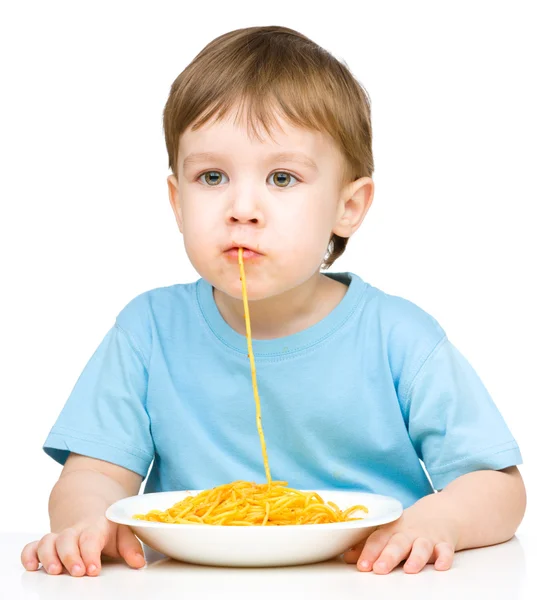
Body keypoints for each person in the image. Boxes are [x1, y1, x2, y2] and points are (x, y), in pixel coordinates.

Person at [21, 25, 525, 578]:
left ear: (348, 207)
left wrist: (441, 520)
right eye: (211, 176)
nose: (242, 207)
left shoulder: (399, 336)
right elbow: (93, 475)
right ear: (176, 201)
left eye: (282, 178)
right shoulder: (148, 331)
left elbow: (497, 486)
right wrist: (86, 521)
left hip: (373, 581)